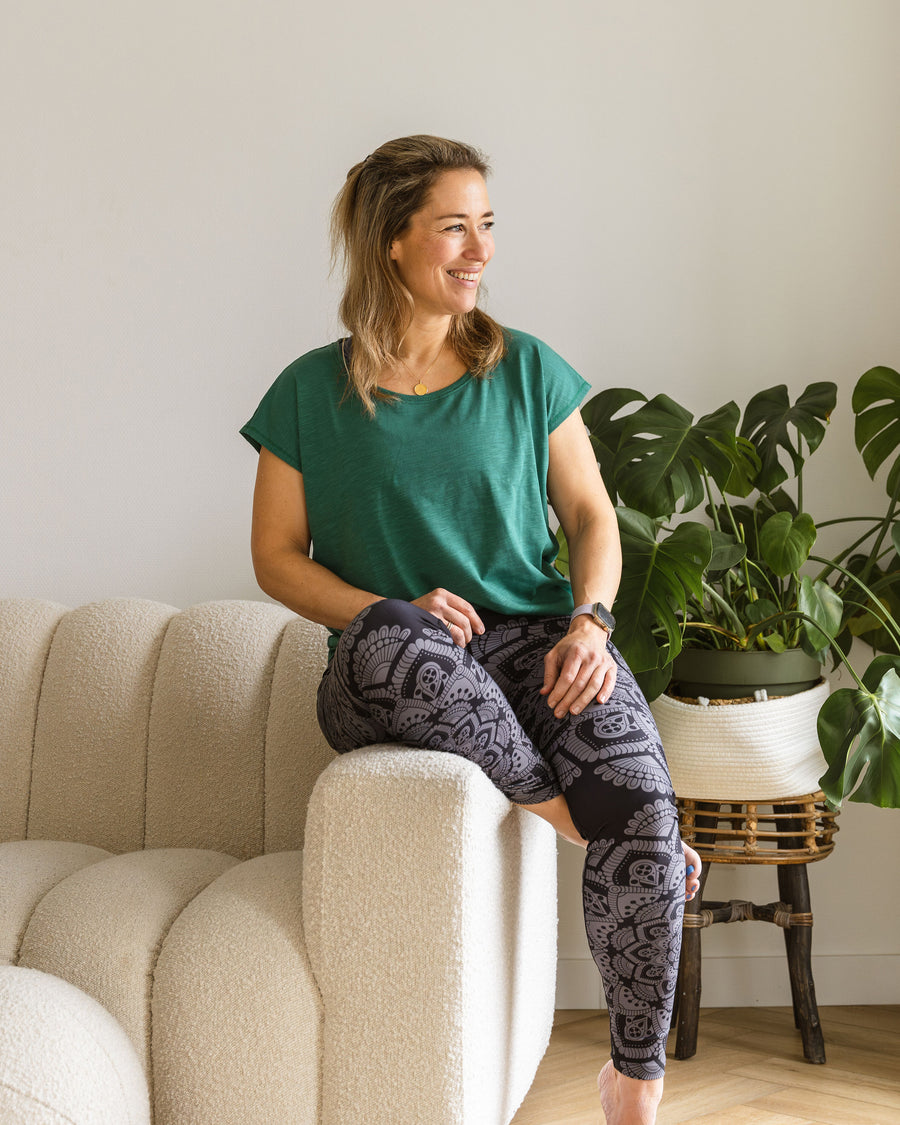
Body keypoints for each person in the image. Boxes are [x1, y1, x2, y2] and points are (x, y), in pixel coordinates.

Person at [241, 134, 701, 1125]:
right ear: (392, 239)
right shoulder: (308, 392)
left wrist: (591, 624)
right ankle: (573, 817)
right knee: (397, 641)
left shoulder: (527, 369)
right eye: (455, 227)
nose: (480, 249)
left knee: (635, 786)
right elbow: (276, 556)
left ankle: (635, 1084)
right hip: (390, 665)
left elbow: (592, 518)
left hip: (536, 645)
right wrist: (387, 608)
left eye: (486, 225)